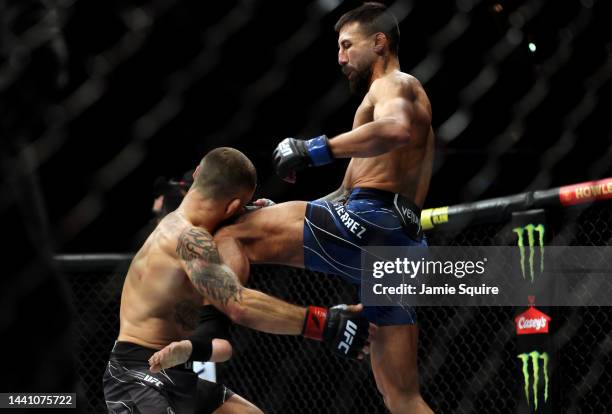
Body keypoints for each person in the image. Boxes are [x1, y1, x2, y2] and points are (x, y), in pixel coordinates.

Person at [208, 4, 435, 413]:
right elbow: (346, 192)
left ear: (380, 42)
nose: (341, 57)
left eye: (348, 45)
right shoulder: (384, 101)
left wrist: (315, 148)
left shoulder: (394, 84)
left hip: (372, 223)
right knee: (399, 395)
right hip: (400, 243)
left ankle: (214, 324)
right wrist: (280, 212)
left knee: (231, 233)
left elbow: (396, 130)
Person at [103, 147, 373, 414]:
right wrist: (323, 324)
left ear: (197, 173)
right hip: (139, 374)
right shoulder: (188, 238)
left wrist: (253, 210)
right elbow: (238, 303)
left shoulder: (183, 227)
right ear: (232, 205)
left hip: (180, 372)